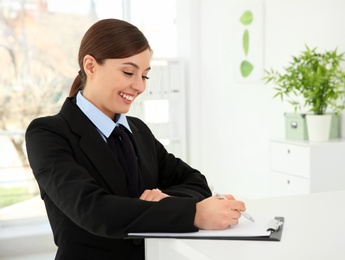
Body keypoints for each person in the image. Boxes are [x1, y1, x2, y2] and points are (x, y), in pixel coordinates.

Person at [25, 18, 246, 260]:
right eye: (129, 72)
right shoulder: (48, 133)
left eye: (145, 76)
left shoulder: (137, 130)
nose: (139, 86)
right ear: (90, 65)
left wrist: (165, 199)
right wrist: (192, 213)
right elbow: (94, 210)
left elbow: (195, 181)